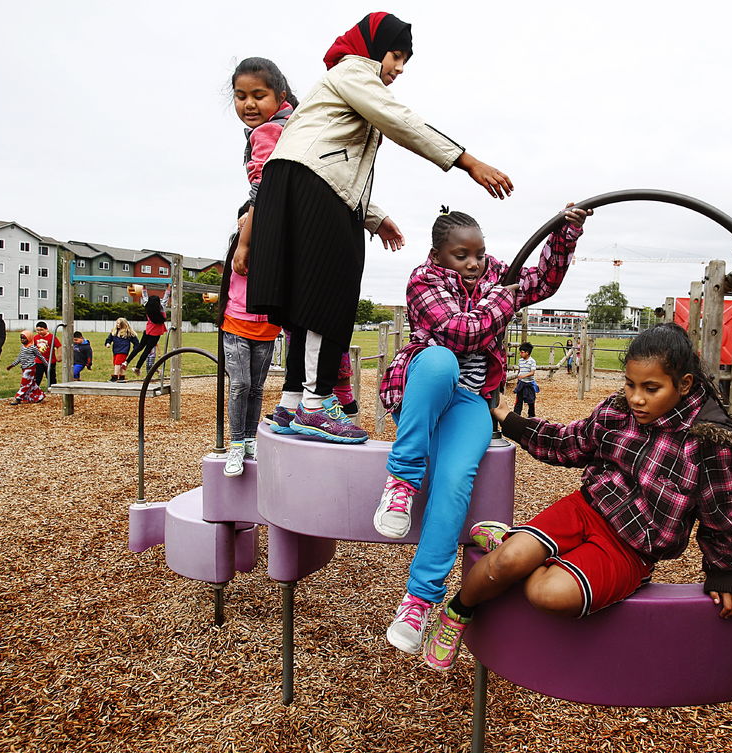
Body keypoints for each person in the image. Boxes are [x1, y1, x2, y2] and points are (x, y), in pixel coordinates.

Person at [245, 12, 514, 445]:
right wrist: (466, 161)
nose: (399, 68)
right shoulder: (354, 69)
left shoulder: (339, 88)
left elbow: (333, 162)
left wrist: (373, 215)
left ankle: (292, 403)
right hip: (310, 187)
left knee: (304, 301)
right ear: (373, 48)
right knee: (326, 298)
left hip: (297, 184)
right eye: (396, 55)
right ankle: (315, 406)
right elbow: (399, 121)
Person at [418, 324, 732, 671]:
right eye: (631, 384)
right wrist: (509, 420)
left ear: (683, 384)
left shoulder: (710, 441)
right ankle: (457, 611)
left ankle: (519, 543)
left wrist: (722, 571)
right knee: (505, 563)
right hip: (586, 509)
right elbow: (567, 444)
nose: (637, 398)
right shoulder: (618, 413)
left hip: (632, 547)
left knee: (545, 593)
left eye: (651, 389)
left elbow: (719, 515)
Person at [375, 205, 589, 655]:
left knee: (455, 484)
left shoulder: (495, 275)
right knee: (439, 359)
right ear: (438, 255)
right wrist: (504, 299)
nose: (474, 264)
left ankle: (419, 601)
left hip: (471, 403)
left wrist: (565, 233)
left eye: (479, 254)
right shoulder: (423, 280)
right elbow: (457, 333)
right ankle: (402, 479)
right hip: (428, 392)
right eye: (461, 255)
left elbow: (543, 280)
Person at [220, 205, 284, 477]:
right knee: (240, 384)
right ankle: (235, 444)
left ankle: (249, 440)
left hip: (267, 326)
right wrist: (247, 229)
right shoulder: (240, 247)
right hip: (236, 322)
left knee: (256, 388)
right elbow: (241, 265)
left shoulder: (276, 247)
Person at [129, 293, 168, 375]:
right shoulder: (161, 308)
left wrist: (144, 287)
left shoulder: (148, 307)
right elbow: (165, 298)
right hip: (156, 333)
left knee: (140, 347)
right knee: (147, 351)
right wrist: (168, 288)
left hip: (148, 330)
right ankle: (139, 368)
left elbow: (145, 297)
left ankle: (127, 362)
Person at [4, 330, 47, 405]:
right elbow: (20, 358)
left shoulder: (33, 348)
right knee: (31, 383)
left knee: (24, 384)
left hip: (30, 368)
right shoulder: (23, 347)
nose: (22, 340)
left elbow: (40, 356)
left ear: (29, 338)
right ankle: (39, 396)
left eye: (24, 338)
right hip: (24, 368)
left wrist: (46, 364)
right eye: (21, 338)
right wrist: (12, 365)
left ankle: (18, 398)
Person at [512, 341, 539, 417]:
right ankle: (516, 415)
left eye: (522, 352)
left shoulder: (532, 361)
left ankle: (531, 416)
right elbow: (520, 370)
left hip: (529, 384)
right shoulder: (520, 361)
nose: (520, 354)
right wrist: (519, 377)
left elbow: (532, 372)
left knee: (531, 401)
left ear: (527, 352)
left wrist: (523, 376)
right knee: (518, 401)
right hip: (521, 383)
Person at [31, 321, 61, 387]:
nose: (39, 332)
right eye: (38, 330)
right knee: (37, 376)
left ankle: (52, 388)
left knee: (51, 376)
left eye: (41, 330)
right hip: (39, 361)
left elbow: (59, 346)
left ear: (46, 329)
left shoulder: (52, 337)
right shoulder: (35, 337)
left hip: (50, 361)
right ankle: (34, 390)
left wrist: (59, 356)